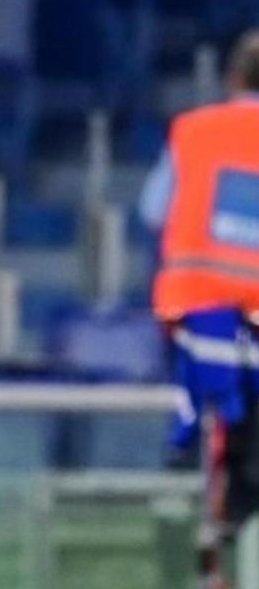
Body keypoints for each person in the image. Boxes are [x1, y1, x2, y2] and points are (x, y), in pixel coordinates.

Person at [140, 29, 259, 587]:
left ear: (233, 80)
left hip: (194, 315)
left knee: (196, 438)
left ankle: (185, 523)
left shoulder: (194, 131)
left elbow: (153, 208)